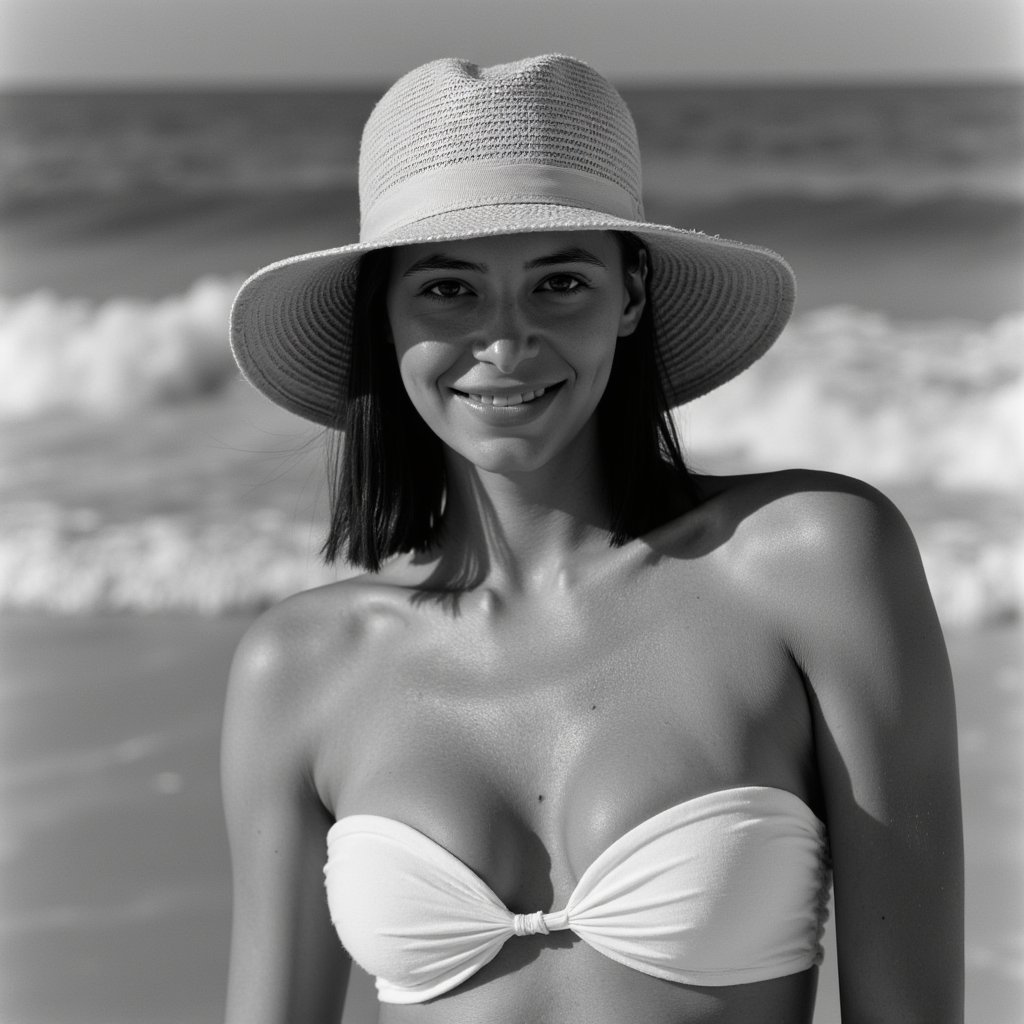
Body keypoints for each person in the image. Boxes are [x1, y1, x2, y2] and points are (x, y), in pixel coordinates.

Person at [222, 55, 963, 1023]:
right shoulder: (302, 664)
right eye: (448, 290)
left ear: (630, 295)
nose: (505, 341)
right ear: (384, 318)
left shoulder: (810, 560)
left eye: (559, 281)